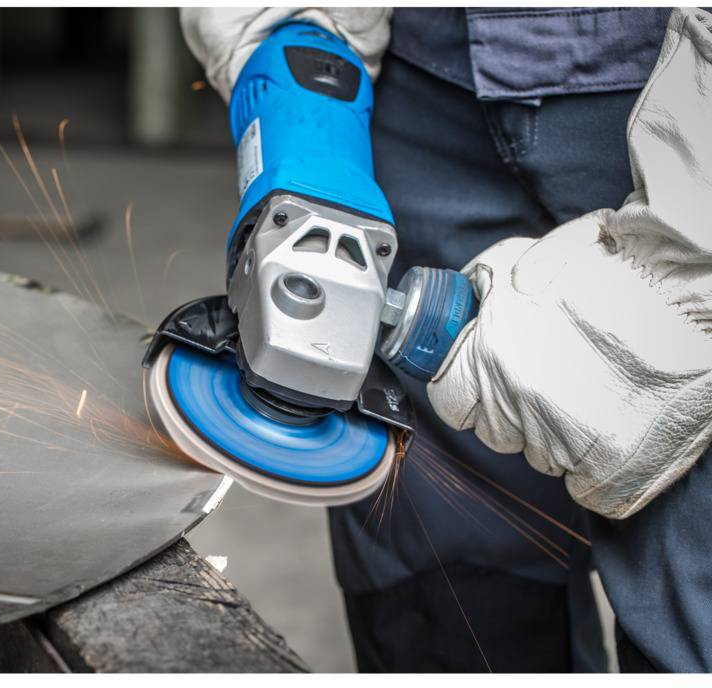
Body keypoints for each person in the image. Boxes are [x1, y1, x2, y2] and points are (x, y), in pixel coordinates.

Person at [181, 7, 712, 672]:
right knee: (442, 605)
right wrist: (292, 28)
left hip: (679, 117)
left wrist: (684, 277)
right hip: (411, 89)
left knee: (690, 625)